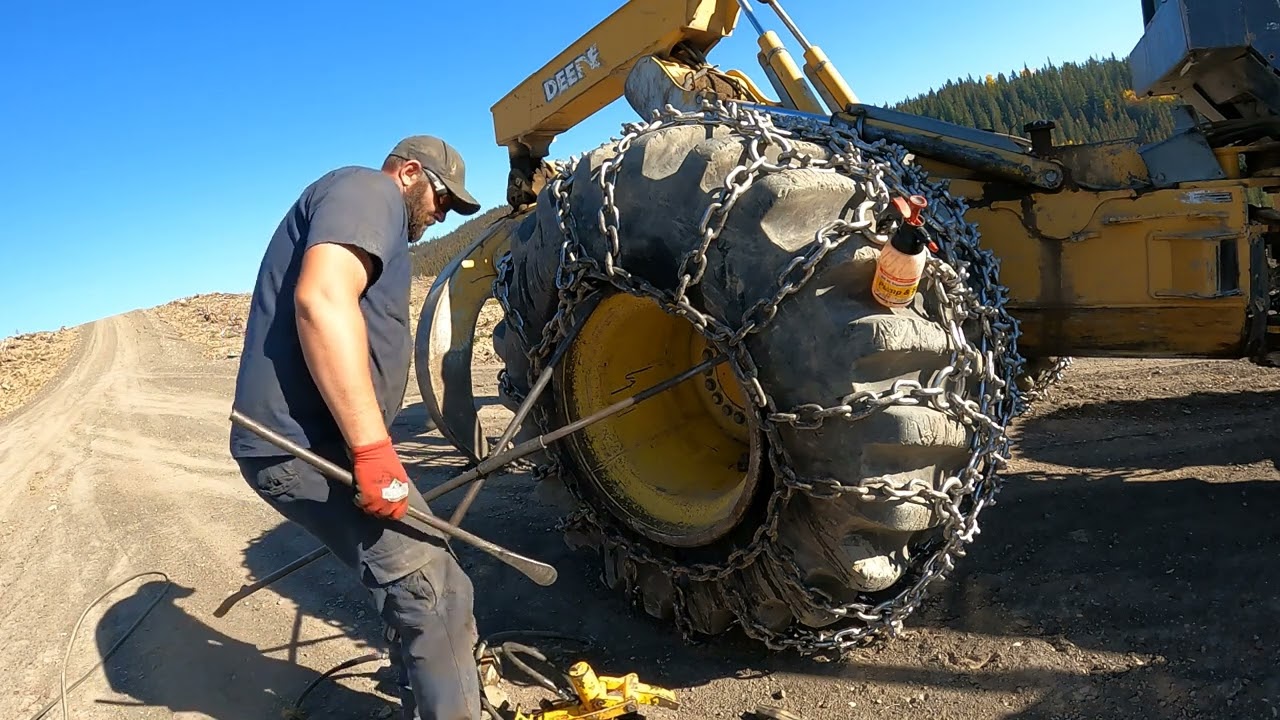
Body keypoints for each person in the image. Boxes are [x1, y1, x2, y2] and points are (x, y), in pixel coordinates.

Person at [228, 135, 484, 720]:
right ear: (410, 172)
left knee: (429, 582)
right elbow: (321, 300)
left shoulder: (372, 211)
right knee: (434, 596)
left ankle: (422, 691)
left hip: (323, 443)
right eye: (443, 199)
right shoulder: (369, 190)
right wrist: (371, 448)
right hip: (308, 448)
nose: (442, 214)